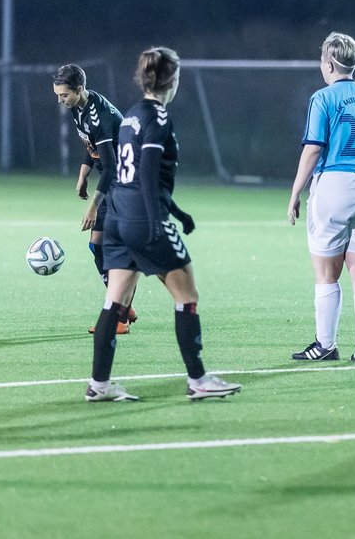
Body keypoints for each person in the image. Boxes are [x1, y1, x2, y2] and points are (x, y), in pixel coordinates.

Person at [85, 47, 239, 402]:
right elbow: (149, 171)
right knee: (187, 297)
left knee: (115, 300)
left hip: (118, 219)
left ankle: (99, 384)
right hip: (144, 219)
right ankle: (199, 379)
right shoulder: (158, 117)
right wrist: (158, 222)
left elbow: (131, 174)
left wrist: (179, 212)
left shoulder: (131, 116)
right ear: (173, 79)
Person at [287, 32, 355, 363]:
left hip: (335, 184)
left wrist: (295, 191)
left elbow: (312, 149)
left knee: (326, 273)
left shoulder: (323, 98)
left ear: (330, 63)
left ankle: (325, 344)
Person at [52, 64, 134, 335]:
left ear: (78, 90)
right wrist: (83, 174)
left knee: (117, 250)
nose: (60, 101)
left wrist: (92, 207)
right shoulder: (79, 108)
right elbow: (93, 148)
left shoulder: (100, 117)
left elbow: (111, 168)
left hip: (127, 185)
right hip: (114, 183)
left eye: (64, 95)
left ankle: (119, 314)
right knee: (96, 246)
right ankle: (123, 302)